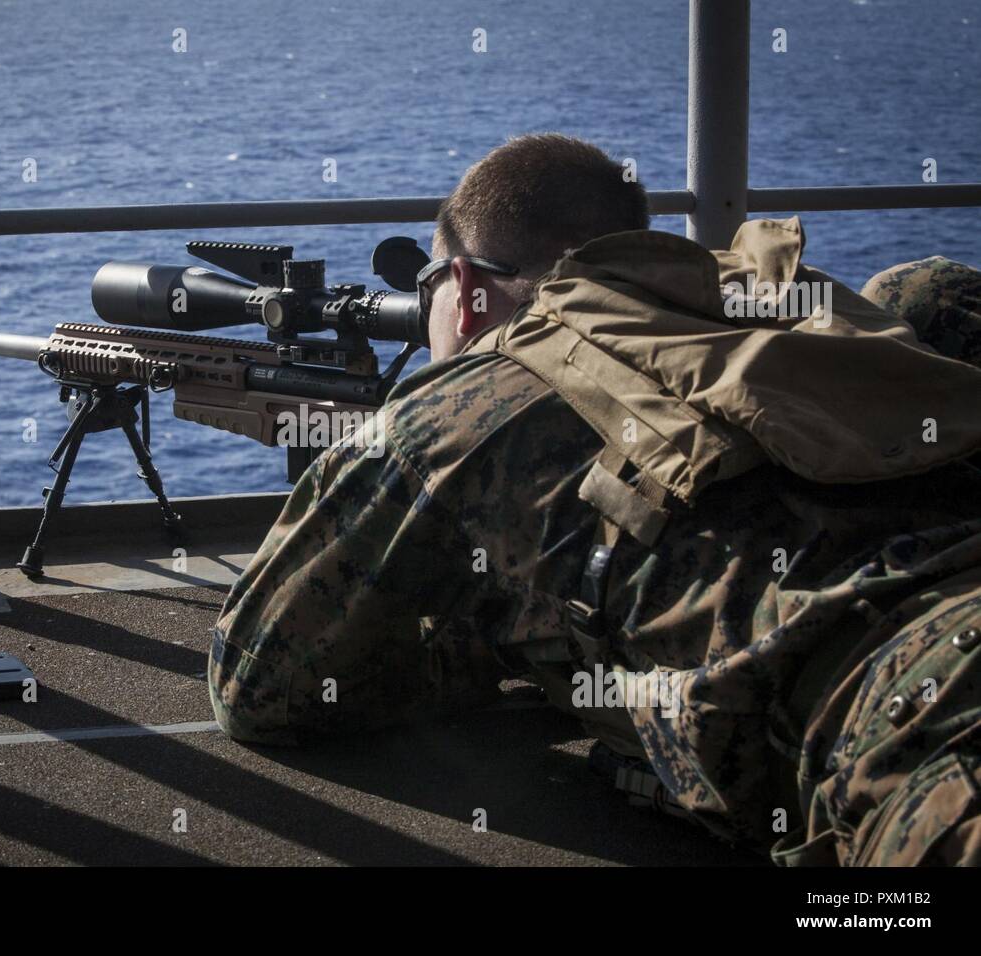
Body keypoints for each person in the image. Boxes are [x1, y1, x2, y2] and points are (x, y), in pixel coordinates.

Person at [207, 132, 981, 865]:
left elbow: (259, 688)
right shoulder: (794, 306)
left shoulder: (463, 407)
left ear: (466, 291)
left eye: (430, 289)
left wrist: (499, 642)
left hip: (919, 706)